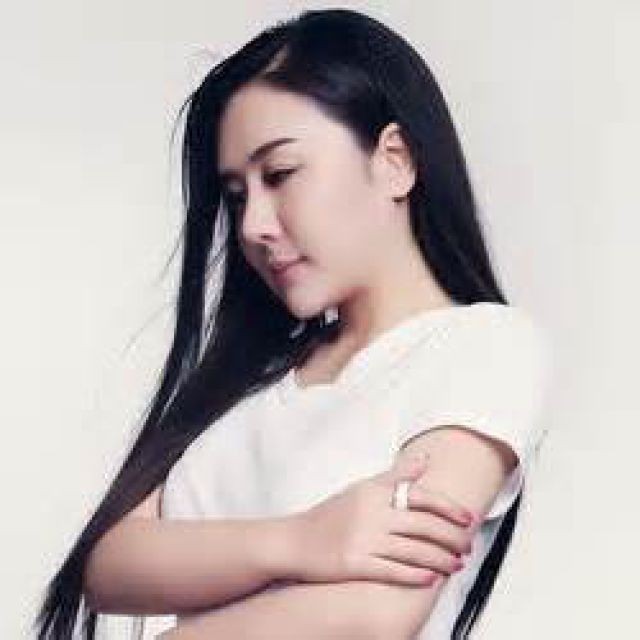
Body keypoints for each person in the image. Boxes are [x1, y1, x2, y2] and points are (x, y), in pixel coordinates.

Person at [33, 7, 553, 640]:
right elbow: (110, 566)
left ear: (395, 160)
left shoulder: (484, 349)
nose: (253, 225)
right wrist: (302, 541)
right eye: (237, 196)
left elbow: (376, 614)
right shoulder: (250, 382)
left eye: (280, 175)